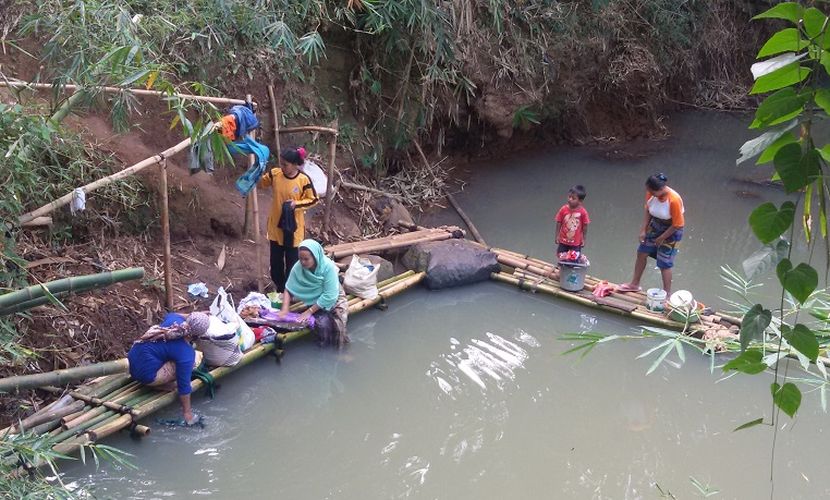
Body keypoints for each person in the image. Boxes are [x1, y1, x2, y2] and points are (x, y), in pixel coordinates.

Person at [127, 312, 210, 426]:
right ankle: (157, 384)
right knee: (193, 360)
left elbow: (173, 313)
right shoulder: (186, 353)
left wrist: (195, 315)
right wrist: (187, 413)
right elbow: (184, 386)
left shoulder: (174, 320)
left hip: (132, 362)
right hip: (145, 376)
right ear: (198, 335)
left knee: (167, 354)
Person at [259, 146, 319, 292]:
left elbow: (313, 199)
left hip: (294, 230)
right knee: (276, 263)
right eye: (281, 163)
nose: (282, 167)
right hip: (276, 228)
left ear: (294, 164)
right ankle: (280, 289)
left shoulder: (303, 180)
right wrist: (257, 171)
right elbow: (262, 183)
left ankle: (290, 291)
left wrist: (296, 204)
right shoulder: (275, 174)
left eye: (285, 164)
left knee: (292, 263)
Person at [619, 173, 685, 295]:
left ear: (660, 189)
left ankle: (667, 294)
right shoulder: (651, 193)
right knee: (642, 252)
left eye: (653, 192)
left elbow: (678, 224)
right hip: (655, 225)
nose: (650, 193)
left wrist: (662, 238)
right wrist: (643, 230)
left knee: (664, 262)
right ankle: (634, 284)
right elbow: (648, 210)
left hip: (671, 230)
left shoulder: (673, 200)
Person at [280, 239, 350, 348]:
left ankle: (340, 353)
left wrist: (309, 311)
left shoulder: (328, 267)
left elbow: (330, 296)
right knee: (322, 325)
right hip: (314, 300)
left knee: (338, 327)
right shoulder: (298, 267)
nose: (302, 262)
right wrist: (284, 310)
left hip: (335, 299)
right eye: (300, 258)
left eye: (306, 259)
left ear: (315, 257)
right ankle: (322, 351)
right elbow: (288, 288)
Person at [555, 185, 590, 255]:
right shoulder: (563, 209)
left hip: (576, 243)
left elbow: (585, 226)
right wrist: (557, 236)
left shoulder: (583, 212)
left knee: (574, 258)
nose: (570, 199)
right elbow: (559, 222)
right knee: (561, 255)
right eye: (569, 197)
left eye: (573, 198)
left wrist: (583, 239)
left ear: (580, 201)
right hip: (563, 241)